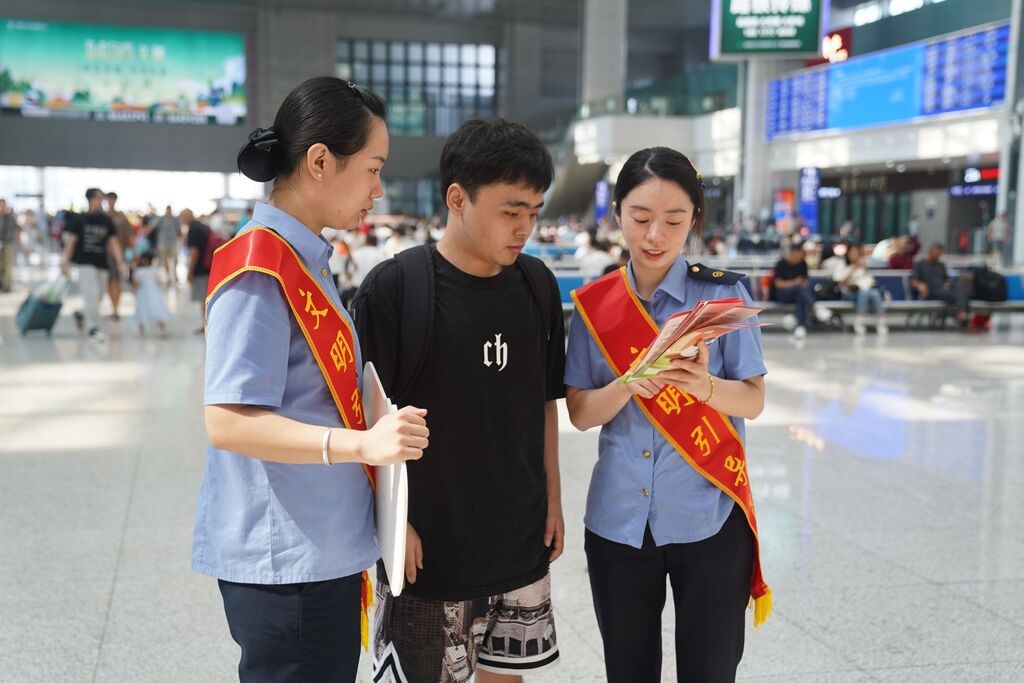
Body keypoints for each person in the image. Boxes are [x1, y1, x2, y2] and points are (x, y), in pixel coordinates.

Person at [192, 77, 429, 683]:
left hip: (321, 548)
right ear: (321, 161)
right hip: (287, 565)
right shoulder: (259, 269)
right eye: (373, 168)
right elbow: (227, 420)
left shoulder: (308, 262)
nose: (379, 190)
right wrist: (362, 446)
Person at [353, 118, 565, 683]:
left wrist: (553, 500)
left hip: (519, 541)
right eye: (510, 211)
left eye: (534, 213)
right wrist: (393, 526)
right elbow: (363, 420)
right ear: (458, 198)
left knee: (507, 676)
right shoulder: (397, 290)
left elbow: (545, 402)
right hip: (430, 550)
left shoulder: (538, 286)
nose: (524, 228)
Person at [564, 147, 769, 683]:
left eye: (674, 220)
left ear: (694, 220)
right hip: (619, 523)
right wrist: (629, 386)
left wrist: (704, 388)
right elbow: (581, 413)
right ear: (616, 215)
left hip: (709, 517)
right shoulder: (595, 305)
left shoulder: (723, 296)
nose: (655, 235)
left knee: (709, 670)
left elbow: (753, 398)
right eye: (640, 218)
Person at [61, 188, 126, 342]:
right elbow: (71, 242)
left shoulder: (106, 220)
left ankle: (82, 314)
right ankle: (93, 328)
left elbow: (113, 242)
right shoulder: (79, 220)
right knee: (90, 294)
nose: (101, 201)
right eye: (98, 198)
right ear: (90, 199)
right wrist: (65, 263)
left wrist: (120, 261)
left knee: (99, 295)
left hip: (102, 263)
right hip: (85, 263)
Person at [770, 243, 832, 339]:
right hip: (782, 294)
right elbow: (778, 284)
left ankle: (800, 327)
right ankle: (816, 308)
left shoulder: (802, 263)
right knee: (799, 289)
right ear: (792, 253)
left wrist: (801, 283)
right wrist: (794, 283)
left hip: (798, 294)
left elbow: (806, 281)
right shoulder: (781, 264)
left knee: (800, 298)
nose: (800, 256)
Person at [832, 243, 887, 335]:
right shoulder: (841, 264)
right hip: (848, 292)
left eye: (857, 253)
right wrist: (853, 269)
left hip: (863, 292)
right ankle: (860, 320)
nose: (855, 255)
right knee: (867, 292)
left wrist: (863, 270)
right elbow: (840, 282)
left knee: (874, 293)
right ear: (848, 254)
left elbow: (867, 280)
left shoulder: (862, 265)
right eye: (852, 253)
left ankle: (878, 321)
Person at [911, 243, 970, 326]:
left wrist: (948, 283)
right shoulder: (920, 264)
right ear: (931, 252)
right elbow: (914, 280)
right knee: (960, 294)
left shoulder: (940, 265)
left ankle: (961, 314)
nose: (938, 257)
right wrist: (920, 285)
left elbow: (946, 279)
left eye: (939, 255)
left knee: (960, 287)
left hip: (943, 290)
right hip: (931, 292)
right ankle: (962, 315)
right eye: (937, 255)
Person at [181, 209, 212, 333]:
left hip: (200, 269)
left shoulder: (193, 230)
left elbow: (194, 252)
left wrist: (189, 271)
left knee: (203, 299)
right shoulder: (203, 227)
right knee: (206, 298)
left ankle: (206, 325)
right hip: (209, 266)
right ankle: (206, 324)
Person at [105, 192, 134, 320]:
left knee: (117, 280)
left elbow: (128, 237)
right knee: (108, 281)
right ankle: (113, 306)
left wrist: (132, 252)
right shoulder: (103, 216)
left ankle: (116, 308)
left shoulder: (121, 217)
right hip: (104, 254)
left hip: (119, 253)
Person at [131, 251, 170, 337]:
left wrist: (134, 291)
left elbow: (136, 283)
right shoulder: (155, 270)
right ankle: (163, 329)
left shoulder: (139, 271)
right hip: (154, 292)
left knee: (142, 310)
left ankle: (141, 331)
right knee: (156, 309)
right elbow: (159, 281)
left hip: (143, 293)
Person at [152, 205, 180, 284]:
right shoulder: (161, 219)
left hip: (173, 242)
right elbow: (153, 226)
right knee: (165, 260)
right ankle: (168, 277)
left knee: (174, 259)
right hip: (163, 242)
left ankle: (175, 275)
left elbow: (179, 230)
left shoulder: (175, 219)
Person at [0, 198, 19, 292]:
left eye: (3, 205)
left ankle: (6, 287)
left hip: (8, 243)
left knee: (8, 266)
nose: (2, 208)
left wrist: (20, 244)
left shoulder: (10, 217)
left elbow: (16, 230)